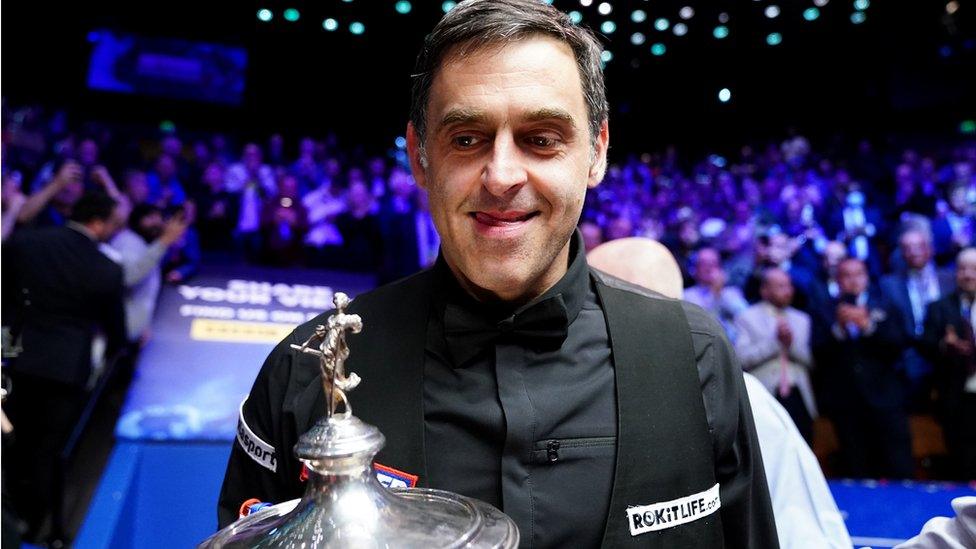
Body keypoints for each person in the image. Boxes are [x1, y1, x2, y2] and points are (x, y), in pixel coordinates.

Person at [217, 2, 778, 547]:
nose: (502, 175)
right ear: (419, 157)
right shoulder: (307, 374)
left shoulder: (693, 354)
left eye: (541, 139)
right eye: (466, 139)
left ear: (596, 151)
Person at [2, 191, 127, 543]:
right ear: (99, 223)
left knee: (10, 443)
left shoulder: (27, 243)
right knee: (48, 451)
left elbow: (6, 297)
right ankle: (32, 528)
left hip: (16, 361)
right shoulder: (106, 267)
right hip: (66, 371)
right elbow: (118, 334)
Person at [812, 257, 914, 479]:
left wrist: (868, 326)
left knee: (897, 463)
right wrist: (838, 329)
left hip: (885, 398)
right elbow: (817, 353)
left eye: (858, 274)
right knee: (856, 466)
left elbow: (899, 344)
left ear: (866, 277)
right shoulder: (825, 310)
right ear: (837, 280)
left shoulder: (885, 305)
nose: (852, 280)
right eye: (846, 275)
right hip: (847, 401)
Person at [734, 269, 817, 443]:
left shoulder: (802, 319)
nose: (787, 290)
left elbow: (810, 361)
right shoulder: (746, 318)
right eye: (780, 286)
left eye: (789, 285)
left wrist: (790, 344)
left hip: (797, 394)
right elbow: (741, 359)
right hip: (766, 394)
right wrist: (775, 343)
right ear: (764, 290)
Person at [880, 228, 954, 409]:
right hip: (910, 358)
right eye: (907, 247)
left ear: (930, 249)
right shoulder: (889, 284)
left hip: (947, 354)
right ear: (901, 253)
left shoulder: (950, 278)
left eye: (919, 246)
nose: (913, 252)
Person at [921, 247, 976, 480]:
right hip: (956, 393)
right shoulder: (940, 307)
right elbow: (924, 345)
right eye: (962, 269)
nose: (968, 274)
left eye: (974, 269)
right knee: (962, 456)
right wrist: (946, 344)